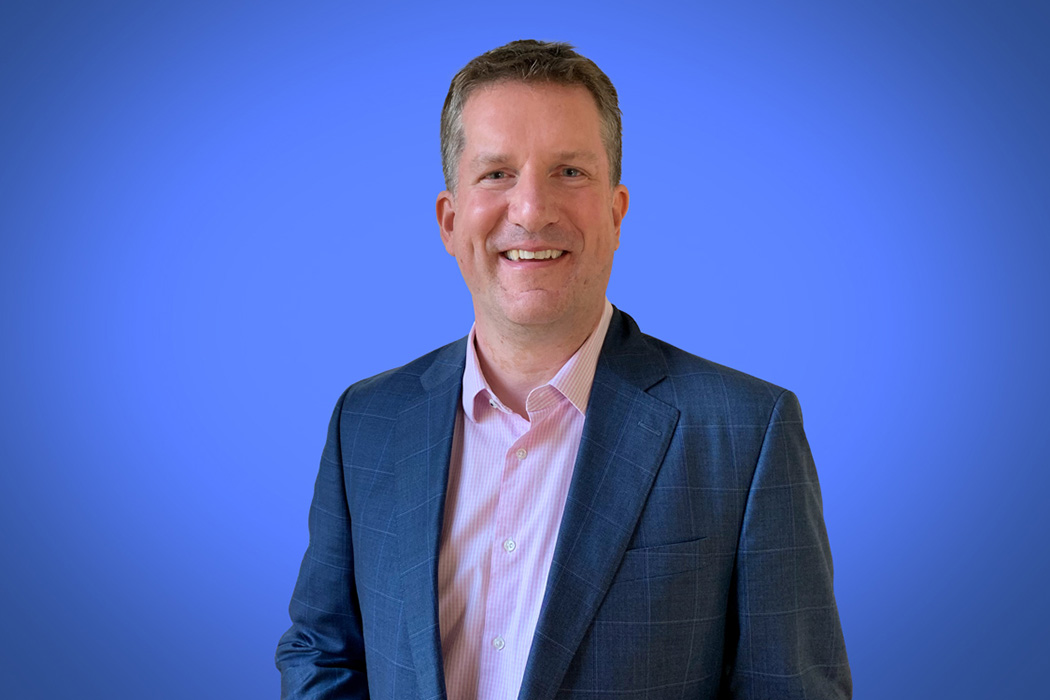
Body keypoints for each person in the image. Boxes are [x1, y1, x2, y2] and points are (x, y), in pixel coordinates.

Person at [276, 39, 851, 700]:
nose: (531, 210)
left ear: (616, 211)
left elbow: (793, 690)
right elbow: (322, 651)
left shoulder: (746, 432)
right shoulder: (367, 421)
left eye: (569, 173)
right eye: (496, 173)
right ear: (450, 218)